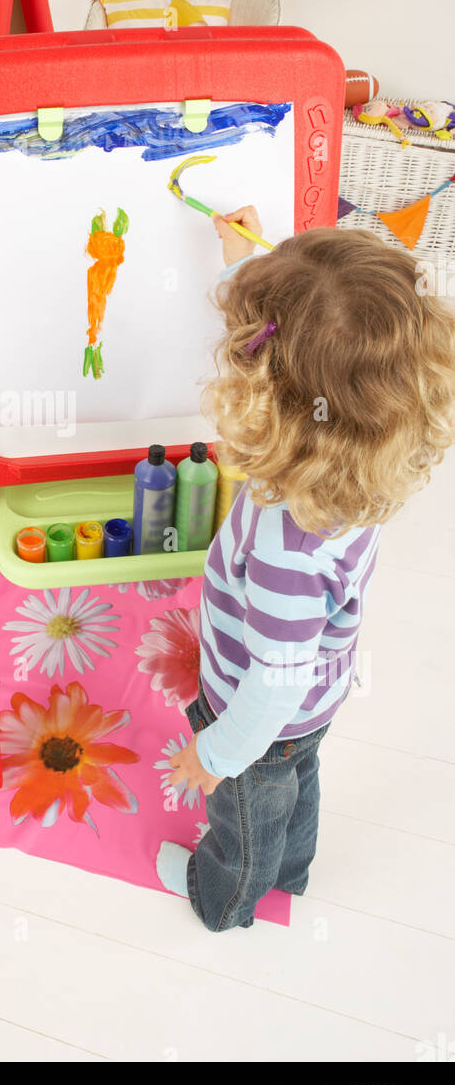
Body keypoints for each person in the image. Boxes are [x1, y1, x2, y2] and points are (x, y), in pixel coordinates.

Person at [157, 207, 455, 931]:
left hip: (258, 713)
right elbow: (303, 351)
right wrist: (240, 264)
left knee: (245, 815)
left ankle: (224, 898)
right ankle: (294, 868)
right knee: (297, 782)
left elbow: (275, 678)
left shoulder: (286, 543)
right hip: (312, 704)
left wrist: (217, 752)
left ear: (267, 395)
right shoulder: (356, 470)